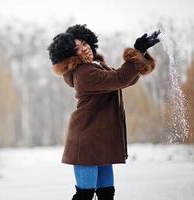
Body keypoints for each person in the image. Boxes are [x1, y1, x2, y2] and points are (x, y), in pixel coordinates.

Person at [47, 24, 160, 200]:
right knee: (84, 195)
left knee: (107, 194)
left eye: (84, 43)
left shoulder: (96, 66)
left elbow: (126, 79)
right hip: (86, 142)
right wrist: (137, 51)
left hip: (100, 140)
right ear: (70, 55)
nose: (84, 48)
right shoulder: (84, 73)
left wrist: (141, 54)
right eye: (77, 48)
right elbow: (120, 78)